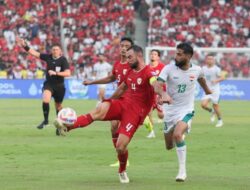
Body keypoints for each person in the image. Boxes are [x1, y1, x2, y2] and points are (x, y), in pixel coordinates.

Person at [54, 45, 157, 183]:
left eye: (130, 57)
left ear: (139, 56)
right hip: (123, 103)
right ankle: (67, 126)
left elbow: (156, 84)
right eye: (126, 57)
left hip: (135, 113)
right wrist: (108, 103)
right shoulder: (130, 72)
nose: (128, 60)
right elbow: (121, 89)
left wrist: (163, 95)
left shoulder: (148, 72)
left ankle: (122, 170)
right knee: (98, 110)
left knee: (121, 147)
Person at [153, 42, 212, 182]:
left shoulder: (197, 69)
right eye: (176, 53)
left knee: (178, 134)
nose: (176, 56)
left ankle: (182, 172)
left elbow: (202, 79)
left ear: (188, 56)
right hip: (170, 111)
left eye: (180, 54)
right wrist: (163, 94)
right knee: (169, 146)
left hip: (186, 109)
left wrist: (208, 91)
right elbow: (156, 85)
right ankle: (178, 135)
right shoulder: (168, 68)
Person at [83, 37, 133, 167]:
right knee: (113, 128)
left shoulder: (133, 65)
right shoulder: (117, 64)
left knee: (121, 131)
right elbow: (111, 78)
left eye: (127, 46)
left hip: (130, 102)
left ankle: (123, 158)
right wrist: (91, 82)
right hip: (118, 100)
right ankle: (121, 159)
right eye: (122, 45)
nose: (123, 48)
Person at [16, 37, 71, 132]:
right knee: (46, 100)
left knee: (58, 106)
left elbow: (68, 73)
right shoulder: (48, 57)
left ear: (60, 51)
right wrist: (25, 46)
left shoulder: (63, 60)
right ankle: (46, 121)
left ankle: (59, 125)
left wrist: (56, 73)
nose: (55, 51)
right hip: (49, 84)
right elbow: (34, 53)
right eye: (53, 49)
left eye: (56, 49)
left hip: (59, 86)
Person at [144, 49, 165, 138]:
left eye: (155, 54)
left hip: (159, 94)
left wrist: (163, 94)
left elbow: (166, 80)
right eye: (151, 54)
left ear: (158, 57)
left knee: (161, 116)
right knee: (147, 113)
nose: (153, 55)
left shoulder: (163, 67)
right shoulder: (146, 68)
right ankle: (151, 132)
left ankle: (171, 123)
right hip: (149, 94)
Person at [201, 54, 225, 127]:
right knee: (203, 105)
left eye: (211, 59)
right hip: (207, 89)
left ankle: (220, 120)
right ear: (206, 60)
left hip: (215, 90)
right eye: (208, 59)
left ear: (214, 61)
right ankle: (212, 112)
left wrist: (216, 80)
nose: (210, 60)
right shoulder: (203, 68)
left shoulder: (216, 69)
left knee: (215, 105)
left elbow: (222, 78)